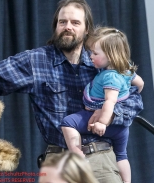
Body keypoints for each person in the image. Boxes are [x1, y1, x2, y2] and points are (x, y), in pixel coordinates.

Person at [0, 0, 143, 183]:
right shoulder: (35, 61)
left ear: (87, 30)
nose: (68, 26)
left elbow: (134, 101)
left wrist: (109, 114)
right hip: (59, 162)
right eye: (62, 22)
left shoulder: (103, 60)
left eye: (75, 22)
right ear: (55, 26)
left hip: (101, 159)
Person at [61, 27, 144, 183]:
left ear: (111, 56)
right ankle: (127, 181)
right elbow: (140, 84)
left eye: (95, 53)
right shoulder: (125, 69)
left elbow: (109, 102)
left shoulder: (110, 78)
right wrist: (127, 94)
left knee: (68, 123)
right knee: (121, 155)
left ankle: (77, 153)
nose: (90, 56)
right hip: (121, 129)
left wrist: (102, 122)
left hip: (101, 121)